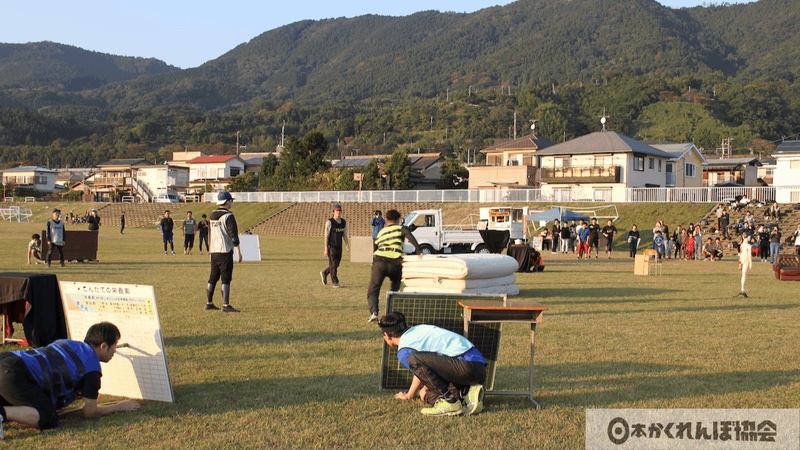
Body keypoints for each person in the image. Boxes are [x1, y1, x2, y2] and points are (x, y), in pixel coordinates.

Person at [0, 322, 141, 434]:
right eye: (115, 345)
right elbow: (90, 412)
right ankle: (2, 413)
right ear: (103, 346)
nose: (115, 350)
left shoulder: (67, 343)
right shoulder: (91, 370)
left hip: (8, 359)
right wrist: (121, 406)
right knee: (48, 417)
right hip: (13, 374)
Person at [378, 312, 486, 416]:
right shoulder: (419, 329)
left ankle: (450, 401)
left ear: (387, 335)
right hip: (479, 368)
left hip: (464, 368)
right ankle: (468, 392)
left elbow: (420, 370)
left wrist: (410, 395)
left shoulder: (404, 351)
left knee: (424, 387)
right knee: (428, 393)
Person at [366, 210, 423, 323]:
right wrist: (419, 251)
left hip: (380, 262)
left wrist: (374, 261)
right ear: (398, 220)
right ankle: (391, 312)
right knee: (395, 288)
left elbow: (375, 246)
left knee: (373, 289)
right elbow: (410, 237)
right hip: (395, 262)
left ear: (386, 220)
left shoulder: (381, 232)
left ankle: (374, 313)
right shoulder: (401, 229)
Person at [205, 191, 241, 313]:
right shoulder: (228, 216)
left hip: (214, 250)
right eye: (231, 200)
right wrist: (238, 251)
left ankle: (209, 303)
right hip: (225, 250)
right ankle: (226, 305)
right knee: (226, 278)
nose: (232, 202)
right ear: (227, 201)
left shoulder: (211, 215)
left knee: (213, 277)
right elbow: (233, 235)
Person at [321, 204, 349, 288]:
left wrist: (347, 245)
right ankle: (335, 282)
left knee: (336, 265)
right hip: (331, 246)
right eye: (337, 211)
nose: (338, 212)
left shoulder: (343, 222)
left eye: (340, 211)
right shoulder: (329, 222)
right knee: (333, 264)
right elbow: (326, 236)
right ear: (333, 212)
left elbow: (344, 235)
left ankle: (325, 272)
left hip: (339, 246)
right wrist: (326, 248)